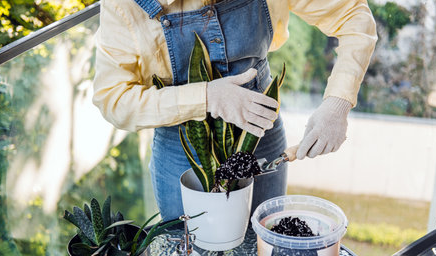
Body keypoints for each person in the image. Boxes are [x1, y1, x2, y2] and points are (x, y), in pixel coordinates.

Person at [93, 0, 377, 221]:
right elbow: (113, 98)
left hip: (261, 130)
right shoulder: (125, 4)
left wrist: (337, 103)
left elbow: (353, 15)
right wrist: (207, 98)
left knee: (260, 253)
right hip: (182, 147)